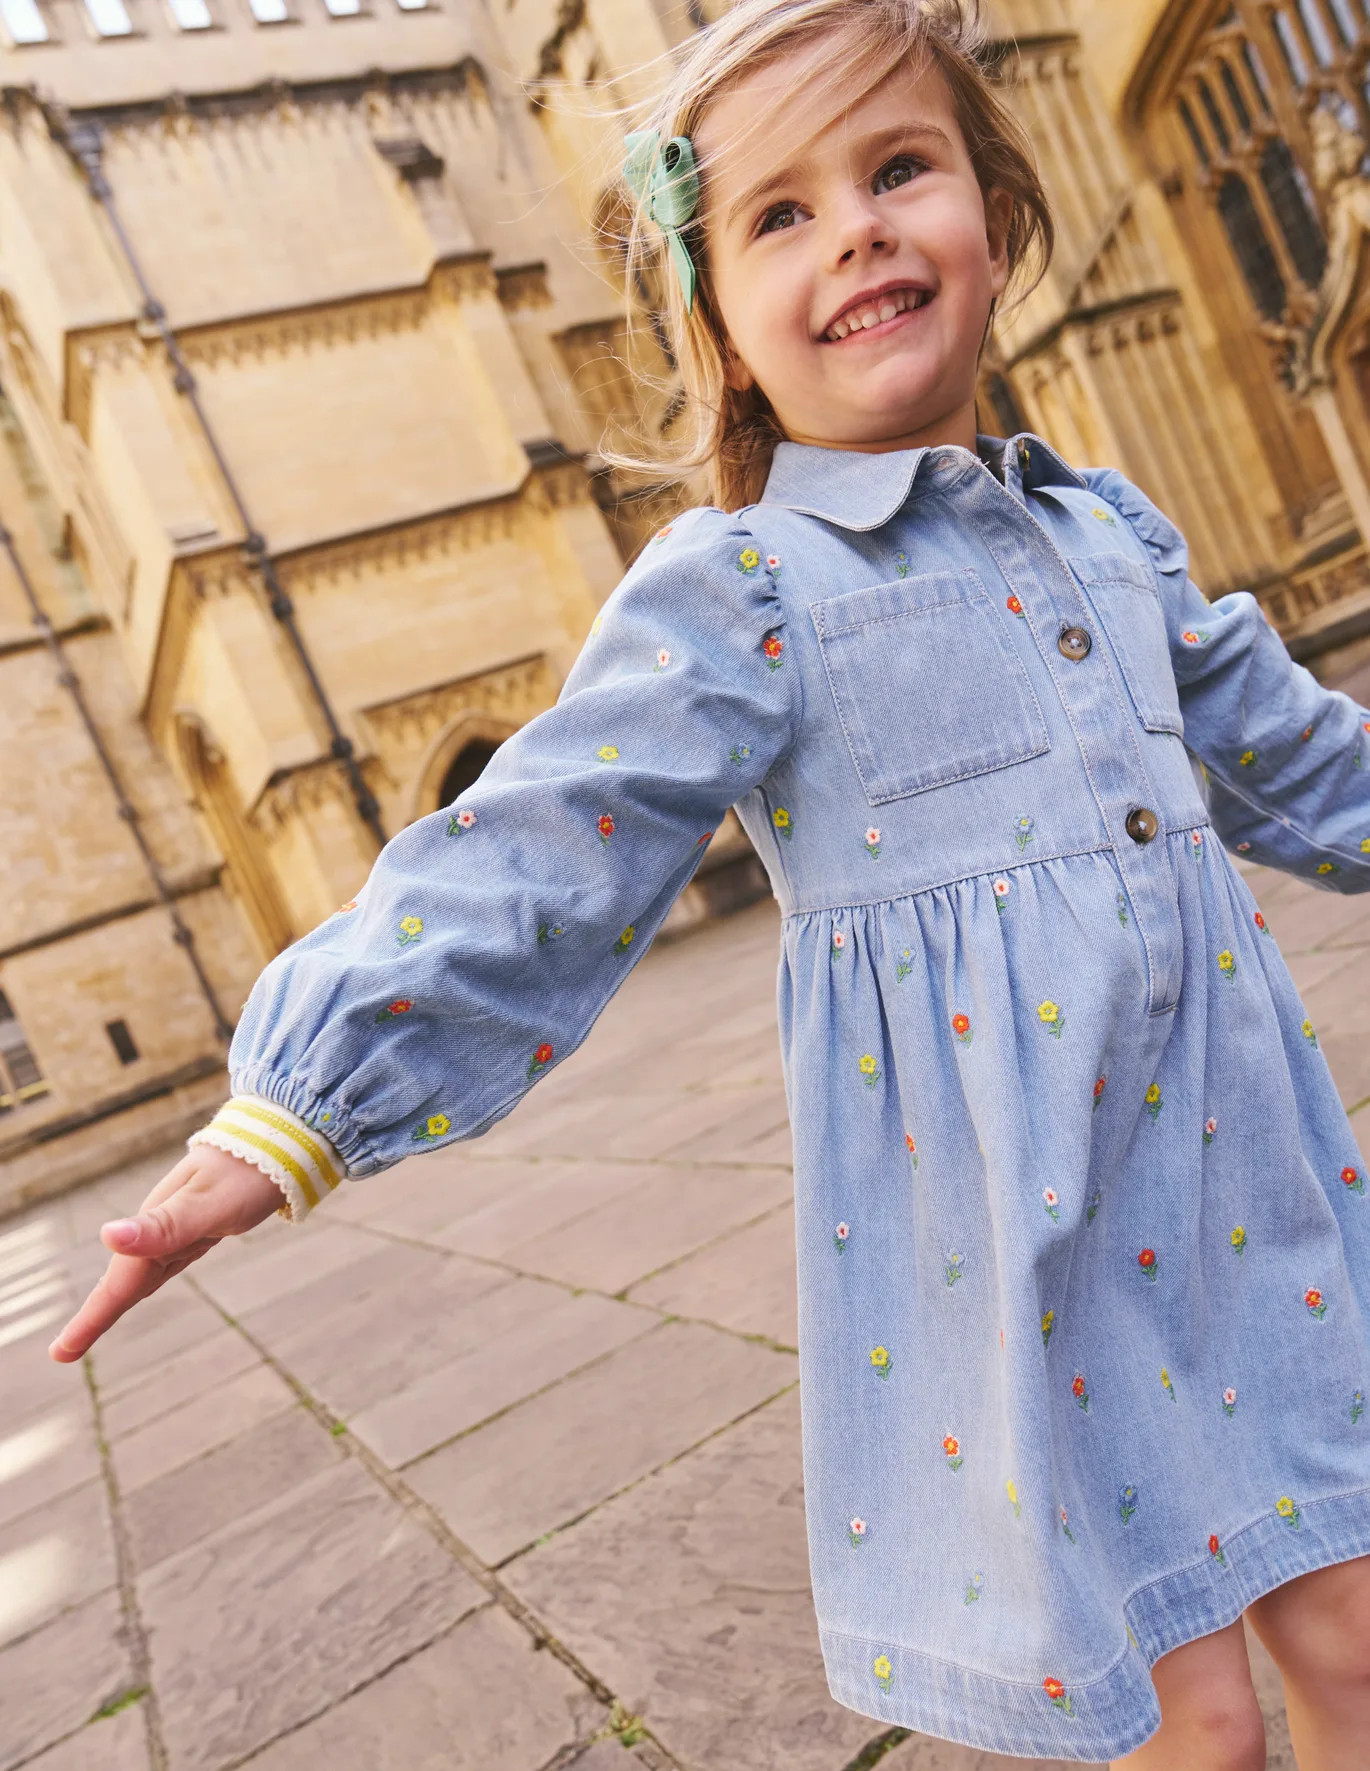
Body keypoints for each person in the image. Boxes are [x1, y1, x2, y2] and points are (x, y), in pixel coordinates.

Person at [50, 1, 1370, 1764]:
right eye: (776, 214)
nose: (855, 231)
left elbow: (1298, 755)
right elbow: (540, 845)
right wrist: (288, 1115)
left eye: (898, 169)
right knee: (1192, 1717)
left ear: (995, 213)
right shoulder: (744, 586)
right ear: (723, 339)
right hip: (1022, 1235)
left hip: (1237, 1178)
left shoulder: (1107, 530)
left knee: (1352, 1630)